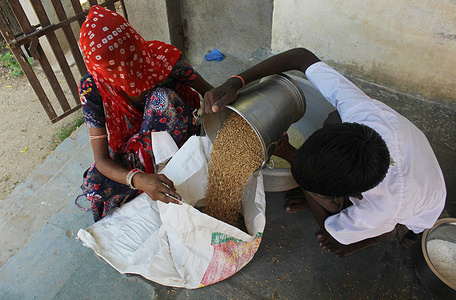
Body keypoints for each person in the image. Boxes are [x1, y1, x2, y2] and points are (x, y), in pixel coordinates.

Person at [203, 48, 447, 257]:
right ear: (347, 130)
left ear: (351, 195)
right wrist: (235, 83)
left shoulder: (381, 208)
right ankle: (310, 184)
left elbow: (332, 233)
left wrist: (304, 182)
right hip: (406, 163)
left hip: (414, 216)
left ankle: (351, 227)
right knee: (332, 120)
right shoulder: (361, 111)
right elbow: (300, 57)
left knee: (362, 235)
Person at [78, 5, 213, 222]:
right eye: (113, 68)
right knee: (94, 182)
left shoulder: (162, 59)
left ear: (136, 42)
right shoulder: (92, 87)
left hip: (177, 142)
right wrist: (137, 179)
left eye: (129, 58)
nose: (125, 71)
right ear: (98, 69)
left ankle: (176, 175)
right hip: (135, 151)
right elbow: (102, 159)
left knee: (161, 100)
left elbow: (210, 93)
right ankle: (152, 185)